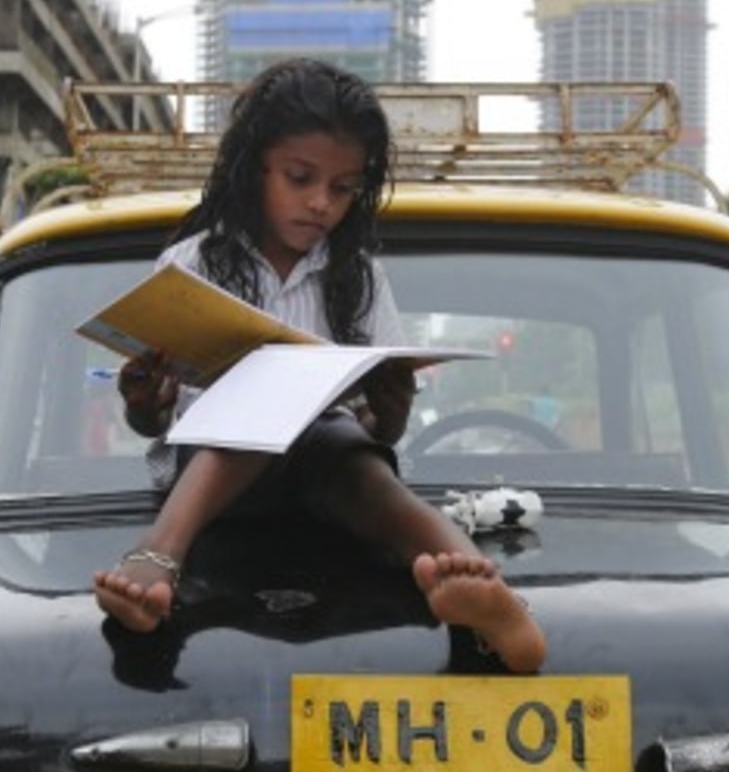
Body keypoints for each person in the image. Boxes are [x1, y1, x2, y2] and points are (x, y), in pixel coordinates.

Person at [92, 58, 547, 674]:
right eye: (300, 177)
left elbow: (377, 429)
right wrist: (143, 403)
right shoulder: (190, 261)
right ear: (254, 167)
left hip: (330, 476)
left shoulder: (357, 279)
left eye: (341, 188)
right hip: (210, 484)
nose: (320, 203)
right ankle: (158, 560)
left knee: (358, 463)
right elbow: (154, 425)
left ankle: (495, 601)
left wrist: (389, 413)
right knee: (268, 398)